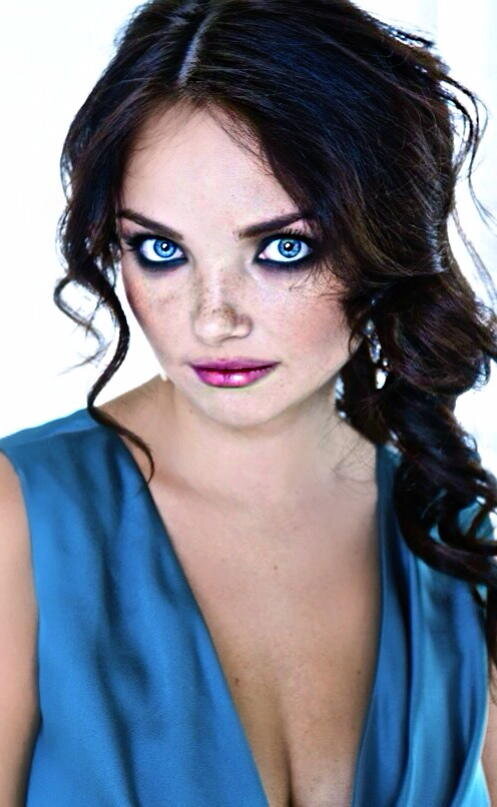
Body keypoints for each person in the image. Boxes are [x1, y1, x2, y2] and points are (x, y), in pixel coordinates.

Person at [1, 0, 497, 804]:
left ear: (384, 240)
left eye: (282, 248)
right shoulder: (21, 518)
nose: (212, 317)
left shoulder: (453, 541)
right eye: (160, 249)